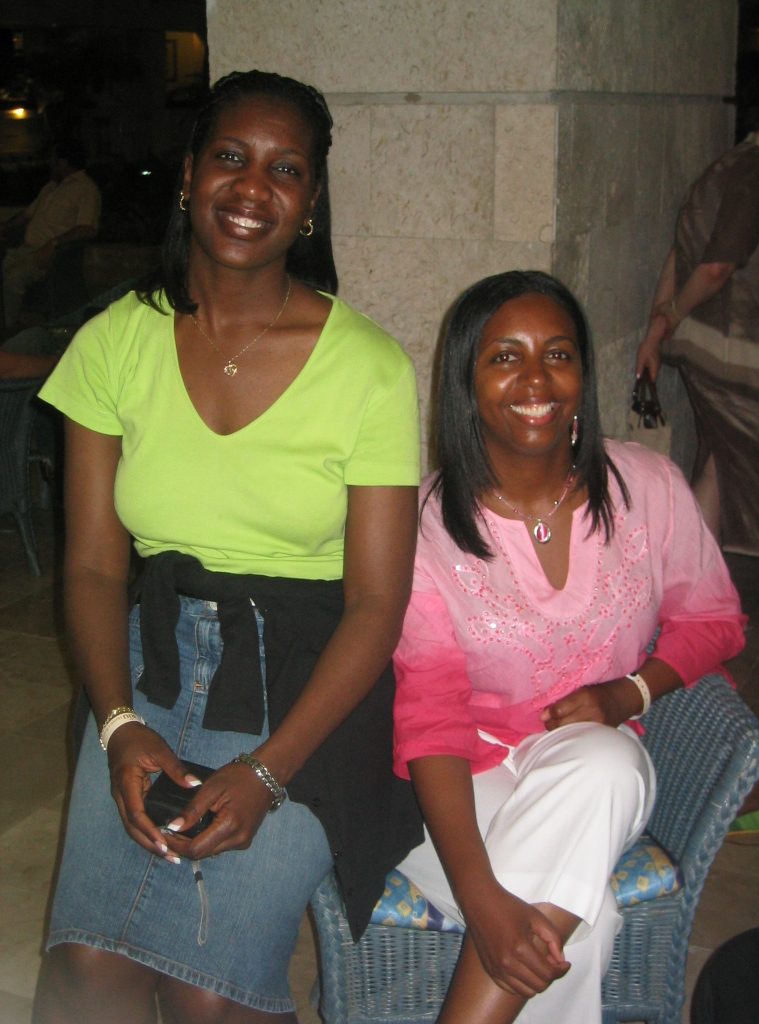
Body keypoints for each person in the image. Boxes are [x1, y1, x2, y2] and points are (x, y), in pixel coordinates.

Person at [32, 69, 423, 1024]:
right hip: (149, 664)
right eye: (231, 158)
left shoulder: (370, 368)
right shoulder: (114, 342)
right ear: (188, 174)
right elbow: (93, 566)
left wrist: (269, 771)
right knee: (87, 974)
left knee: (209, 997)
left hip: (308, 679)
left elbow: (378, 606)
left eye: (285, 169)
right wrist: (118, 724)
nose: (253, 188)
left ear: (312, 200)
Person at [392, 270, 746, 1024]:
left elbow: (714, 619)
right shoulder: (423, 526)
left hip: (594, 770)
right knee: (583, 921)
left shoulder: (646, 487)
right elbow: (430, 716)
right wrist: (483, 902)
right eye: (504, 357)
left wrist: (629, 693)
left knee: (604, 759)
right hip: (455, 787)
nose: (535, 379)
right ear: (465, 381)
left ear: (583, 374)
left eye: (557, 354)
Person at [635, 124, 759, 556]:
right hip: (732, 355)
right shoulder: (756, 173)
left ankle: (690, 577)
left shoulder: (728, 166)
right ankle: (698, 573)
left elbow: (680, 254)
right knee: (745, 478)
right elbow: (716, 267)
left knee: (721, 466)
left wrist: (658, 329)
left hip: (711, 351)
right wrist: (669, 318)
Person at [1, 138, 101, 330]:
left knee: (13, 278)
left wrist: (54, 243)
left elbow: (87, 228)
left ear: (63, 162)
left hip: (49, 254)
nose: (49, 163)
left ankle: (9, 328)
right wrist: (5, 227)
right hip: (26, 249)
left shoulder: (86, 189)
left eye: (52, 159)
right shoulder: (51, 187)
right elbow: (27, 215)